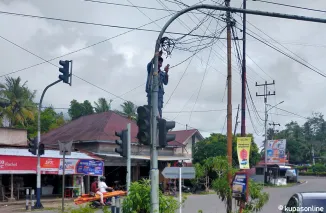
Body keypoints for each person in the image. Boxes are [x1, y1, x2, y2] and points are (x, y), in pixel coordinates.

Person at [146, 50, 170, 118]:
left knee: (159, 108)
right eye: (158, 60)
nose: (160, 62)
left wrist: (166, 72)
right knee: (151, 108)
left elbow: (165, 82)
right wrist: (156, 56)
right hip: (151, 91)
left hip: (159, 93)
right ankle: (151, 124)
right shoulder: (151, 70)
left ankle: (158, 123)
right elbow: (150, 64)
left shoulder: (162, 73)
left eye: (161, 61)